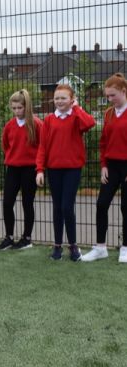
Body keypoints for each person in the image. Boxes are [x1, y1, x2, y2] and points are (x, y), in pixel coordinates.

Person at [36, 84, 95, 261]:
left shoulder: (76, 117)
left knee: (67, 207)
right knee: (57, 208)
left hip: (72, 169)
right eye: (57, 98)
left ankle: (73, 246)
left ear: (71, 99)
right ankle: (57, 245)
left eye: (63, 98)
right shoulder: (48, 120)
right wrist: (40, 169)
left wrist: (77, 108)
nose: (59, 101)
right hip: (54, 170)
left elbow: (90, 123)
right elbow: (42, 147)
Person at [81, 73, 127, 263]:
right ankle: (100, 248)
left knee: (126, 207)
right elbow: (103, 143)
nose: (109, 99)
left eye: (112, 95)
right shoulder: (108, 113)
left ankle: (125, 248)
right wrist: (103, 166)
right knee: (101, 204)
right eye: (107, 96)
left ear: (124, 91)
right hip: (111, 166)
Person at [0, 89, 43, 251]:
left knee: (27, 203)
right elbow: (5, 145)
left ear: (26, 107)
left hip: (30, 169)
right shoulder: (9, 126)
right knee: (7, 202)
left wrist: (40, 169)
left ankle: (26, 238)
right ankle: (9, 237)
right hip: (13, 169)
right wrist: (13, 157)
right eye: (14, 108)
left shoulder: (37, 124)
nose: (17, 111)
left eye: (20, 108)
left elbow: (43, 147)